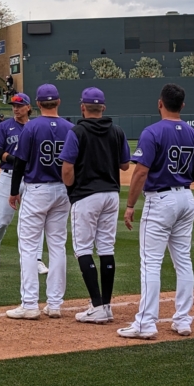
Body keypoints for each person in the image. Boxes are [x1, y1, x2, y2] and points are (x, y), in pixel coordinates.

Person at [118, 83, 194, 340]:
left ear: (160, 103)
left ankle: (146, 324)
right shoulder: (192, 132)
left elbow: (140, 171)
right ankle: (183, 320)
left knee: (151, 263)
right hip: (186, 196)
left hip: (160, 200)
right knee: (183, 260)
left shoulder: (152, 131)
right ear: (182, 105)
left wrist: (130, 206)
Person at [60, 87, 130, 324]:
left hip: (86, 195)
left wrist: (71, 190)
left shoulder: (77, 131)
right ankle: (106, 305)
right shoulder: (117, 131)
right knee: (106, 248)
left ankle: (98, 306)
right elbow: (125, 165)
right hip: (111, 194)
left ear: (83, 107)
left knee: (83, 249)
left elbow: (67, 169)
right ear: (103, 108)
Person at [6, 84, 73, 319]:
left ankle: (30, 304)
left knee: (28, 247)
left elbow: (19, 162)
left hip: (37, 190)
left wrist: (14, 191)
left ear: (36, 103)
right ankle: (55, 304)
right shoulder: (70, 128)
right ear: (58, 102)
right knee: (57, 246)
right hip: (63, 191)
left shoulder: (31, 127)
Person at [0, 93, 48, 273]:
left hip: (30, 178)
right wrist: (13, 159)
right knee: (4, 220)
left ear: (28, 107)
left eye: (19, 105)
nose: (16, 108)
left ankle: (37, 259)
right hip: (8, 176)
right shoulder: (4, 126)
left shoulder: (36, 126)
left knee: (37, 219)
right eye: (13, 106)